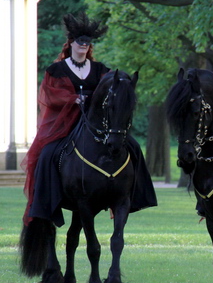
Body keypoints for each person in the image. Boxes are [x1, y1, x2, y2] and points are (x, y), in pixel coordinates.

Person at [22, 13, 157, 226]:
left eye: (87, 43)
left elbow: (111, 89)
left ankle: (135, 195)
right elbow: (50, 95)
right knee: (47, 153)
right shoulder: (56, 69)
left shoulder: (100, 69)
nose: (83, 46)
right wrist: (74, 99)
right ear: (71, 43)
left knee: (133, 146)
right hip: (65, 123)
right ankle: (44, 204)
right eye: (80, 42)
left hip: (96, 124)